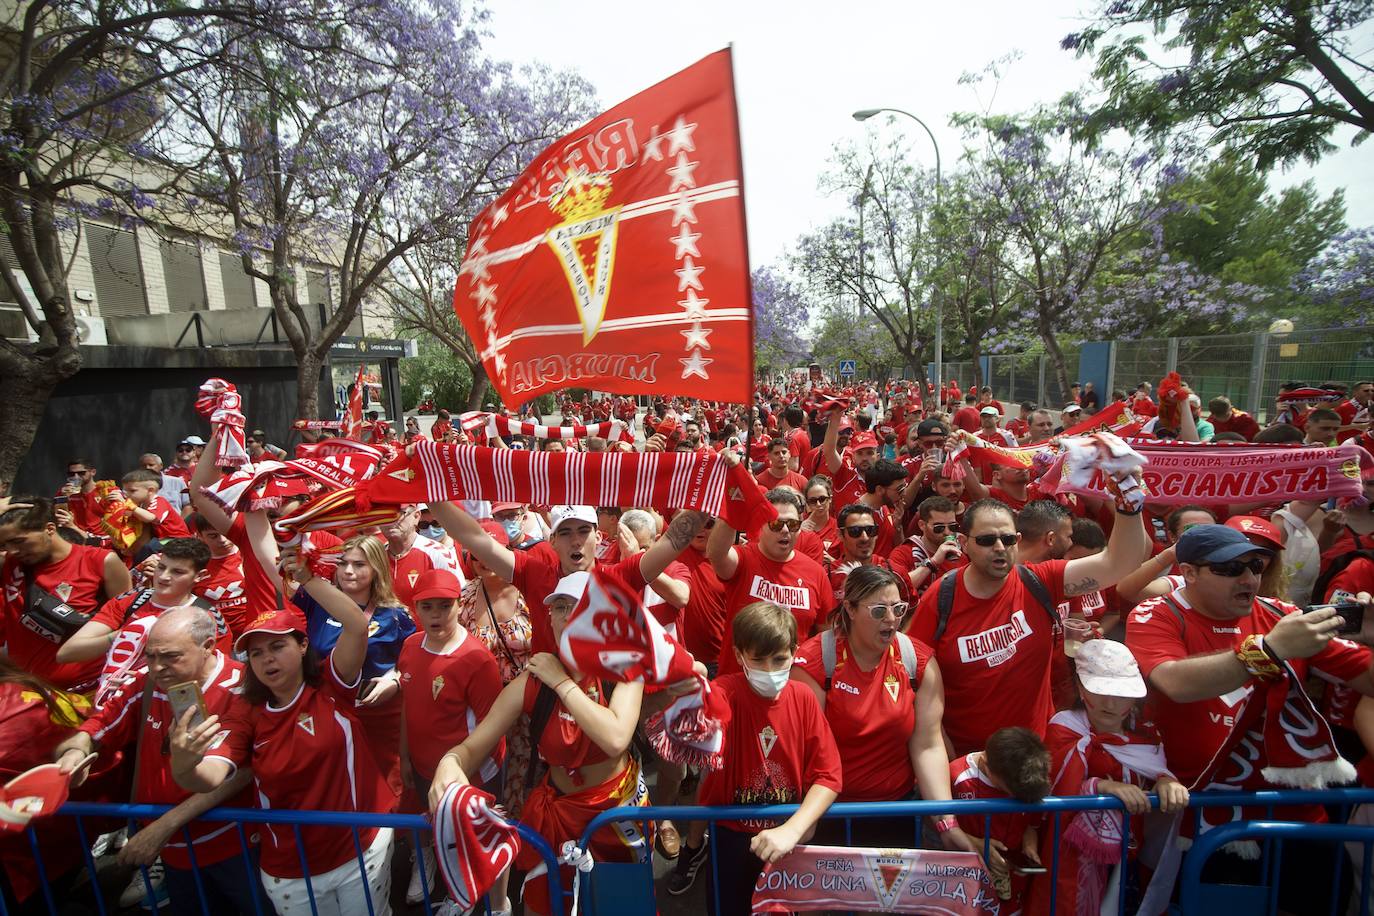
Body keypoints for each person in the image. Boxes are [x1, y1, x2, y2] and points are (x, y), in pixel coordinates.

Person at [1126, 525, 1374, 915]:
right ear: (1189, 572)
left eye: (1256, 566)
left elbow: (1366, 678)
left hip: (1296, 817)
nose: (1249, 578)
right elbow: (1173, 682)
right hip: (1207, 821)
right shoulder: (1158, 612)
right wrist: (1268, 650)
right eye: (1230, 569)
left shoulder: (1282, 615)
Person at [170, 553, 395, 916]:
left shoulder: (331, 686)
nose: (267, 660)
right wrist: (184, 761)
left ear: (303, 646)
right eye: (256, 653)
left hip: (362, 849)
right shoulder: (243, 711)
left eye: (277, 646)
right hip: (291, 869)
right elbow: (207, 776)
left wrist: (307, 578)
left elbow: (355, 624)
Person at [427, 571, 651, 916]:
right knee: (544, 906)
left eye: (581, 606)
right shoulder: (533, 681)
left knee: (619, 905)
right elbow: (473, 747)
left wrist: (561, 683)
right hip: (557, 815)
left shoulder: (624, 669)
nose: (568, 615)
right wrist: (450, 762)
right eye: (560, 607)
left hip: (616, 816)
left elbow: (615, 737)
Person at [56, 607, 264, 915]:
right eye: (151, 656)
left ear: (208, 647)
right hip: (171, 851)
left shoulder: (243, 687)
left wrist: (165, 825)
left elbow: (238, 772)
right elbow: (100, 723)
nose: (157, 667)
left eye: (170, 656)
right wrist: (75, 751)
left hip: (233, 846)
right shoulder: (146, 680)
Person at [907, 496, 1148, 755]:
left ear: (1018, 541)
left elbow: (1119, 564)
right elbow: (913, 678)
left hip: (1037, 752)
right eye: (987, 540)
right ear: (964, 543)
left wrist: (1128, 503)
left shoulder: (1040, 581)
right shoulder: (941, 597)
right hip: (972, 762)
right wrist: (943, 751)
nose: (999, 547)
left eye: (1008, 539)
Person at [792, 566, 976, 852]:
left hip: (896, 812)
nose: (891, 620)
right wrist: (803, 820)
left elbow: (928, 745)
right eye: (879, 611)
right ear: (850, 609)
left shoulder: (918, 661)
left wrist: (946, 823)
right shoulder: (816, 661)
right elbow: (804, 749)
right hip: (827, 814)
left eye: (898, 609)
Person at [681, 601, 841, 914]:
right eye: (758, 660)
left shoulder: (804, 698)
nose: (769, 670)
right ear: (739, 655)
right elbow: (700, 722)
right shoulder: (726, 690)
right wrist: (689, 690)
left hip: (786, 838)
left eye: (779, 659)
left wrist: (794, 829)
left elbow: (829, 776)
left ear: (794, 651)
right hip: (730, 837)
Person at [1023, 639, 1189, 916]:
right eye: (1100, 692)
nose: (1111, 703)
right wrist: (1100, 787)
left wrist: (1165, 781)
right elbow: (1052, 790)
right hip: (1072, 855)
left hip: (1129, 852)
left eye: (1122, 694)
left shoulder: (1147, 734)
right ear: (1079, 688)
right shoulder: (1063, 729)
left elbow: (1154, 771)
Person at [428, 499, 708, 655]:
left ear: (598, 537)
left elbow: (672, 541)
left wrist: (709, 494)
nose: (575, 541)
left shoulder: (619, 575)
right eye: (565, 533)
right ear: (552, 541)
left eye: (583, 531)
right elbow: (473, 538)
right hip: (548, 701)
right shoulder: (533, 573)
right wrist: (431, 494)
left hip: (605, 702)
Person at [386, 569, 508, 911]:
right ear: (416, 609)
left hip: (470, 776)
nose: (436, 615)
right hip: (426, 769)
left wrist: (465, 775)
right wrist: (405, 758)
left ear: (459, 605)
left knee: (473, 840)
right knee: (436, 830)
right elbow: (409, 706)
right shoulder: (410, 647)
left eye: (444, 605)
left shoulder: (476, 659)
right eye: (427, 607)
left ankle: (475, 899)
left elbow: (491, 727)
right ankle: (447, 883)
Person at [292, 534, 414, 796]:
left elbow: (413, 662)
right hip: (327, 715)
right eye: (343, 563)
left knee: (384, 791)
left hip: (376, 718)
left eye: (359, 565)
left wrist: (394, 679)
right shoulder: (315, 600)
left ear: (376, 569)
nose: (348, 571)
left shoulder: (395, 615)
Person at [0, 496, 131, 690]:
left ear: (50, 529)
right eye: (4, 545)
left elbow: (127, 623)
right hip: (27, 691)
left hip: (85, 689)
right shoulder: (9, 564)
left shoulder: (101, 562)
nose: (12, 550)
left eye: (19, 541)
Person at [706, 479, 834, 675]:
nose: (785, 530)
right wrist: (734, 508)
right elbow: (716, 553)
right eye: (776, 523)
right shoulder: (743, 559)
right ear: (760, 525)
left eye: (792, 524)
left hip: (792, 688)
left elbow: (825, 635)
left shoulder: (816, 573)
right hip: (737, 684)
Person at [57, 537, 227, 664]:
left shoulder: (208, 617)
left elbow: (215, 673)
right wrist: (126, 635)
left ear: (200, 576)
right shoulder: (128, 601)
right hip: (115, 698)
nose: (164, 576)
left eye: (177, 572)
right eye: (161, 567)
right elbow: (67, 653)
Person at [949, 727, 1051, 905]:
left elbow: (1031, 825)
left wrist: (1029, 846)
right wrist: (973, 843)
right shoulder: (955, 776)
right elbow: (932, 824)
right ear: (988, 769)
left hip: (1013, 885)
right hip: (962, 889)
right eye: (1010, 794)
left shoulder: (1031, 783)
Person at [381, 503, 460, 617]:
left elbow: (458, 601)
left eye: (400, 513)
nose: (391, 520)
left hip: (428, 634)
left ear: (416, 516)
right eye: (384, 515)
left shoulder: (438, 553)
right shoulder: (376, 556)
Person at [122, 469, 193, 540]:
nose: (127, 494)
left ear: (150, 490)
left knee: (148, 548)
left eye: (132, 491)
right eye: (125, 491)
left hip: (176, 538)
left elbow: (150, 518)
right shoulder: (141, 504)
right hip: (161, 538)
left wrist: (130, 506)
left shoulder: (159, 502)